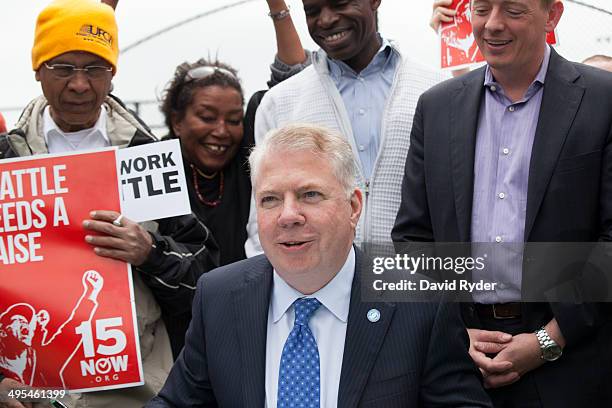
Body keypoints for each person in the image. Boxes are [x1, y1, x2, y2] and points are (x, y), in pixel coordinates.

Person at [146, 124, 491, 407]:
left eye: (310, 195)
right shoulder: (218, 296)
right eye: (270, 199)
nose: (288, 216)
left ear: (354, 206)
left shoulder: (420, 304)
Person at [392, 0, 612, 406]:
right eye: (481, 9)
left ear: (553, 15)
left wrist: (551, 337)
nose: (492, 25)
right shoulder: (436, 108)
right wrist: (454, 332)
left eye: (513, 10)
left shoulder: (602, 101)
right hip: (457, 366)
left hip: (574, 362)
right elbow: (412, 236)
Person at [0, 0, 218, 407]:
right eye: (63, 67)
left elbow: (205, 276)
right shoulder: (7, 162)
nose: (80, 85)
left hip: (136, 392)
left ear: (112, 74)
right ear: (37, 70)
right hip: (33, 393)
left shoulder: (146, 158)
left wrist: (150, 253)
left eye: (95, 69)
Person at [243, 0, 447, 256]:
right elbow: (263, 215)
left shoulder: (435, 88)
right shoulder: (280, 102)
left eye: (340, 4)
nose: (326, 20)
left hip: (418, 283)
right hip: (317, 288)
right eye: (312, 11)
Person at [159, 1, 311, 266]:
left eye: (232, 120)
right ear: (177, 121)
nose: (221, 131)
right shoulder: (153, 164)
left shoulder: (249, 157)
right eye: (207, 117)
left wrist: (277, 6)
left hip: (244, 300)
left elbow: (293, 80)